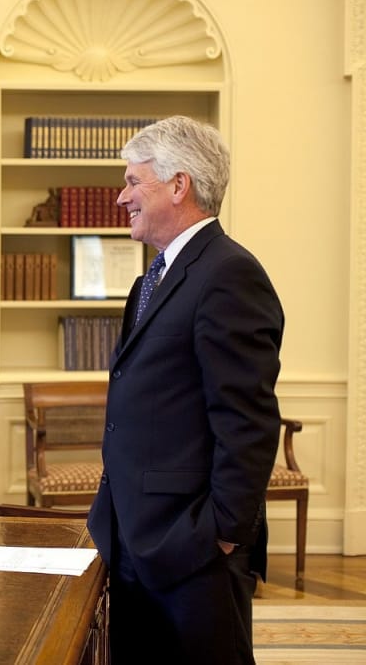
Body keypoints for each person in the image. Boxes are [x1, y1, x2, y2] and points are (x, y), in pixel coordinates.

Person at [86, 115, 284, 664]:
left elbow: (247, 421)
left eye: (133, 181)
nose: (122, 196)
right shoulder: (154, 277)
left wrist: (220, 534)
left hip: (191, 549)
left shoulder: (229, 274)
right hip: (136, 535)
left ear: (179, 185)